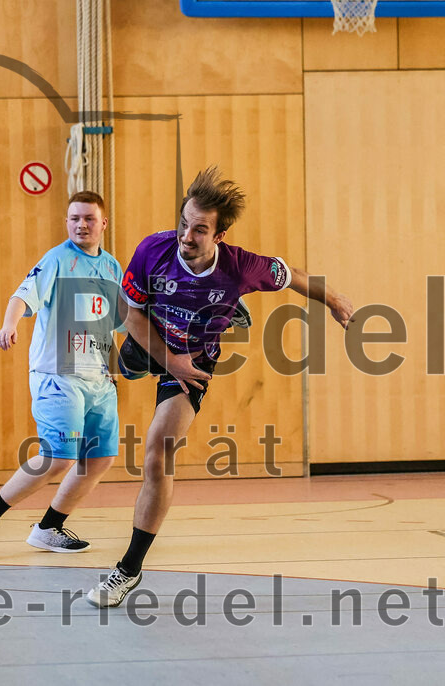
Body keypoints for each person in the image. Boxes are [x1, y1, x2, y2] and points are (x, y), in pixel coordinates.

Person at [87, 167, 354, 608]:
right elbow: (130, 312)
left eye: (199, 230)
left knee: (158, 450)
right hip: (154, 336)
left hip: (193, 362)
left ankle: (128, 569)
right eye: (183, 223)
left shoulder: (241, 265)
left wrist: (334, 299)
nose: (186, 236)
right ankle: (222, 314)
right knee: (128, 364)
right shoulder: (153, 250)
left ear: (220, 235)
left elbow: (293, 275)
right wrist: (168, 358)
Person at [0, 191, 124, 556]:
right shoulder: (57, 259)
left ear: (103, 223)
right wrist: (9, 324)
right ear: (66, 223)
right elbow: (21, 296)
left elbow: (115, 323)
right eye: (74, 219)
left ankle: (49, 528)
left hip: (99, 380)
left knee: (99, 458)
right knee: (59, 456)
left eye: (88, 218)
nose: (81, 225)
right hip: (58, 375)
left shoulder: (112, 267)